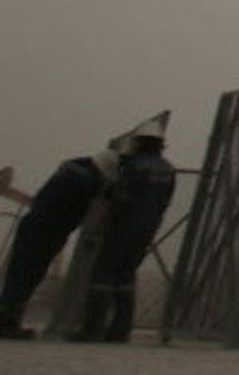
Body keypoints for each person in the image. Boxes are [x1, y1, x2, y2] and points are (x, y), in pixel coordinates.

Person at [0, 112, 177, 342]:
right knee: (123, 277)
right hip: (142, 231)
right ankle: (119, 331)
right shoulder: (167, 170)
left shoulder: (77, 167)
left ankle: (91, 329)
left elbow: (117, 200)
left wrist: (99, 228)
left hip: (89, 229)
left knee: (95, 277)